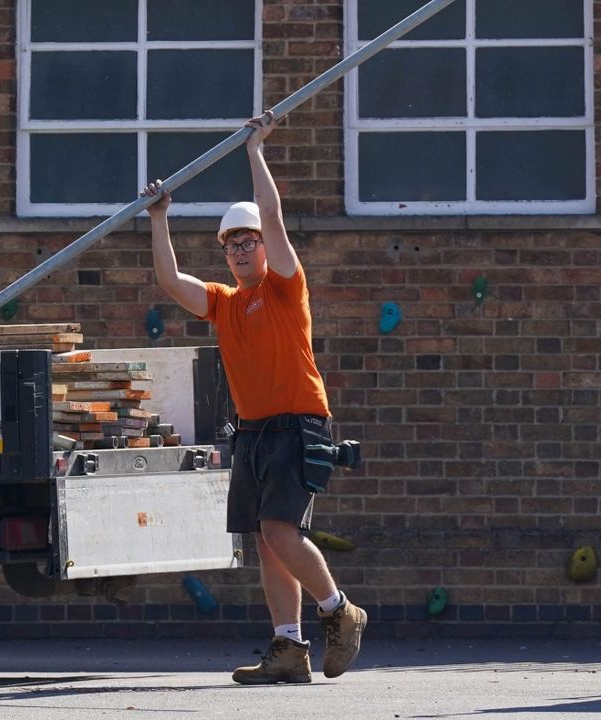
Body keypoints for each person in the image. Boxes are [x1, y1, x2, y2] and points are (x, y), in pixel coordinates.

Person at [141, 110, 366, 685]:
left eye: (249, 242)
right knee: (266, 544)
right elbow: (170, 283)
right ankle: (289, 649)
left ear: (266, 248)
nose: (241, 250)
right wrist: (160, 218)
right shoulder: (223, 301)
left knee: (278, 533)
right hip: (255, 431)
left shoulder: (285, 288)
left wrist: (254, 150)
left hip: (298, 423)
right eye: (232, 245)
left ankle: (340, 612)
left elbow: (272, 214)